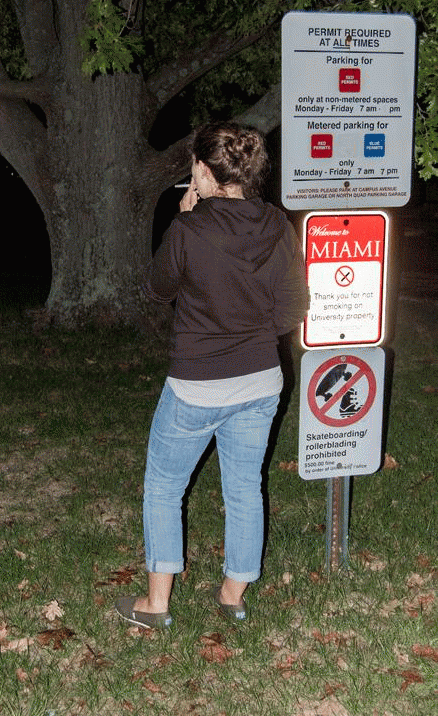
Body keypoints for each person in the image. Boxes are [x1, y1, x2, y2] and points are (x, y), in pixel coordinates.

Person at [115, 121, 308, 629]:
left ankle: (156, 607)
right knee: (245, 488)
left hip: (197, 385)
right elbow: (293, 310)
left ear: (203, 170)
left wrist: (180, 221)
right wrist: (249, 334)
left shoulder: (189, 229)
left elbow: (157, 287)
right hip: (262, 381)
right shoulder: (278, 225)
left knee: (163, 486)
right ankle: (232, 596)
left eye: (191, 171)